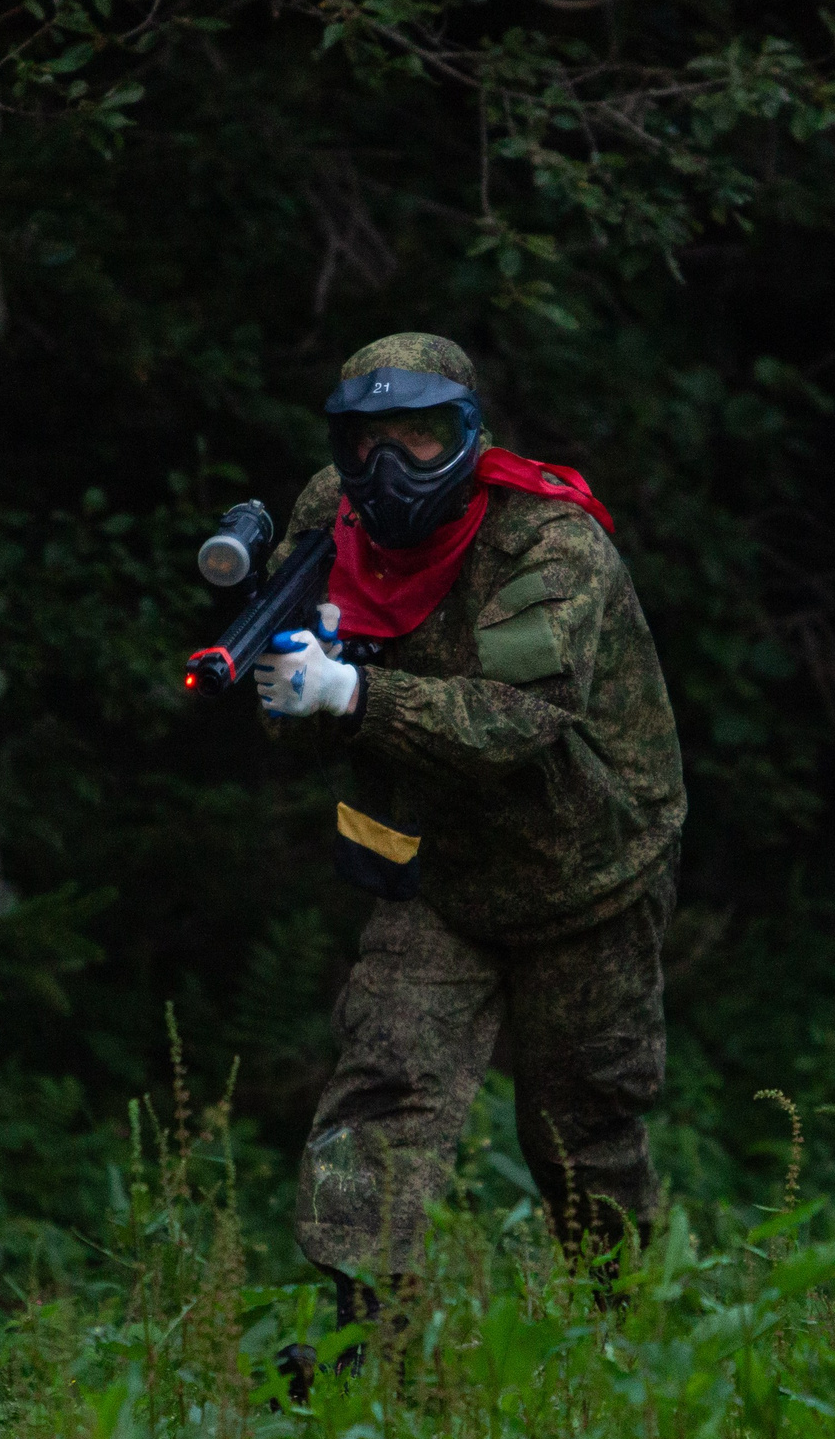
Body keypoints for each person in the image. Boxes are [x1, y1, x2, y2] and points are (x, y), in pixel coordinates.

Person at [254, 331, 688, 1335]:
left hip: (588, 874)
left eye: (421, 436)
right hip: (436, 870)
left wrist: (352, 692)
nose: (389, 467)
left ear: (469, 433)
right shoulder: (331, 514)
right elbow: (294, 706)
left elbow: (515, 721)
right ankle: (374, 1349)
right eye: (368, 442)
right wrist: (289, 682)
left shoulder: (548, 540)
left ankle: (628, 1340)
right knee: (381, 1096)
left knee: (582, 1134)